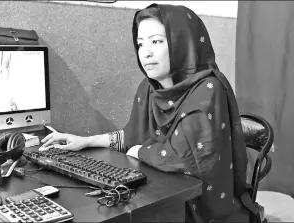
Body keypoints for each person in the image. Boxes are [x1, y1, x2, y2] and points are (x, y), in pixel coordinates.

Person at [41, 4, 259, 222]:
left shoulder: (209, 89)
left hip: (200, 204)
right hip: (161, 192)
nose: (146, 53)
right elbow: (132, 136)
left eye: (156, 41)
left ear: (182, 43)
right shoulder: (148, 88)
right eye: (140, 44)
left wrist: (140, 152)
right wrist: (85, 141)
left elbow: (187, 158)